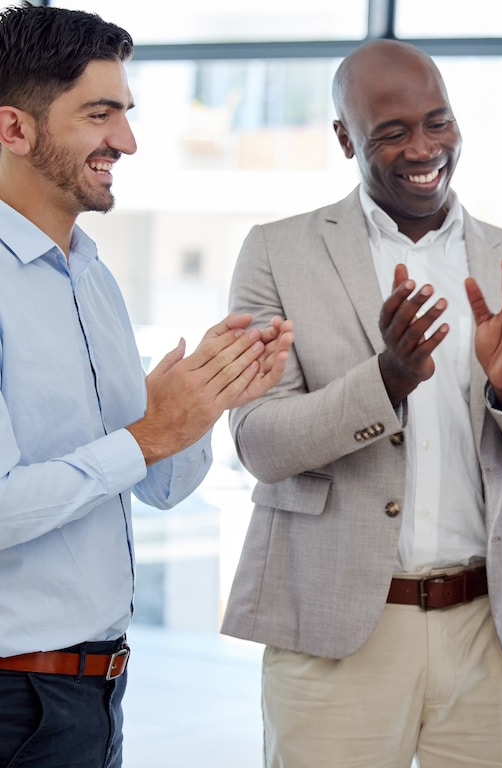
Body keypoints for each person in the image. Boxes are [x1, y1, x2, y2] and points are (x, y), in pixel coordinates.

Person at [220, 39, 502, 768]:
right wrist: (385, 381)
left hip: (494, 631)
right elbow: (258, 442)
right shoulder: (275, 253)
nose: (424, 147)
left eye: (438, 122)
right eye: (392, 132)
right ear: (345, 139)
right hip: (335, 630)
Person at [0, 5, 293, 767]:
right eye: (100, 115)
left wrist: (204, 402)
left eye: (125, 114)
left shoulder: (92, 277)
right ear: (13, 130)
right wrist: (150, 432)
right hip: (11, 700)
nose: (125, 142)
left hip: (97, 692)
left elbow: (157, 487)